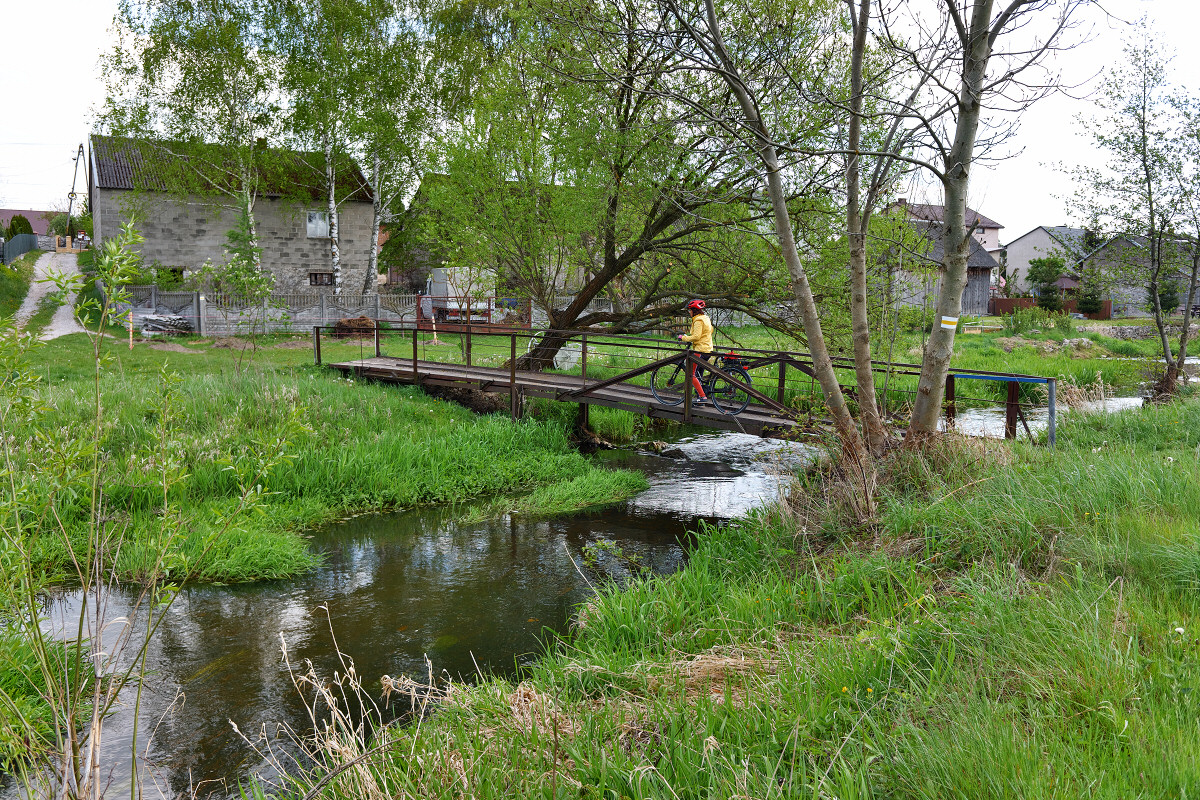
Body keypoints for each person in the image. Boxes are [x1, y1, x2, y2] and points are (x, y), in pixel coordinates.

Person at [678, 299, 714, 403]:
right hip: (707, 350)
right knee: (699, 374)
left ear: (694, 310)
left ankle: (702, 397)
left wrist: (683, 338)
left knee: (691, 374)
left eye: (690, 310)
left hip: (700, 350)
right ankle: (699, 397)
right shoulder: (706, 318)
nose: (689, 312)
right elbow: (710, 331)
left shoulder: (698, 320)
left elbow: (696, 337)